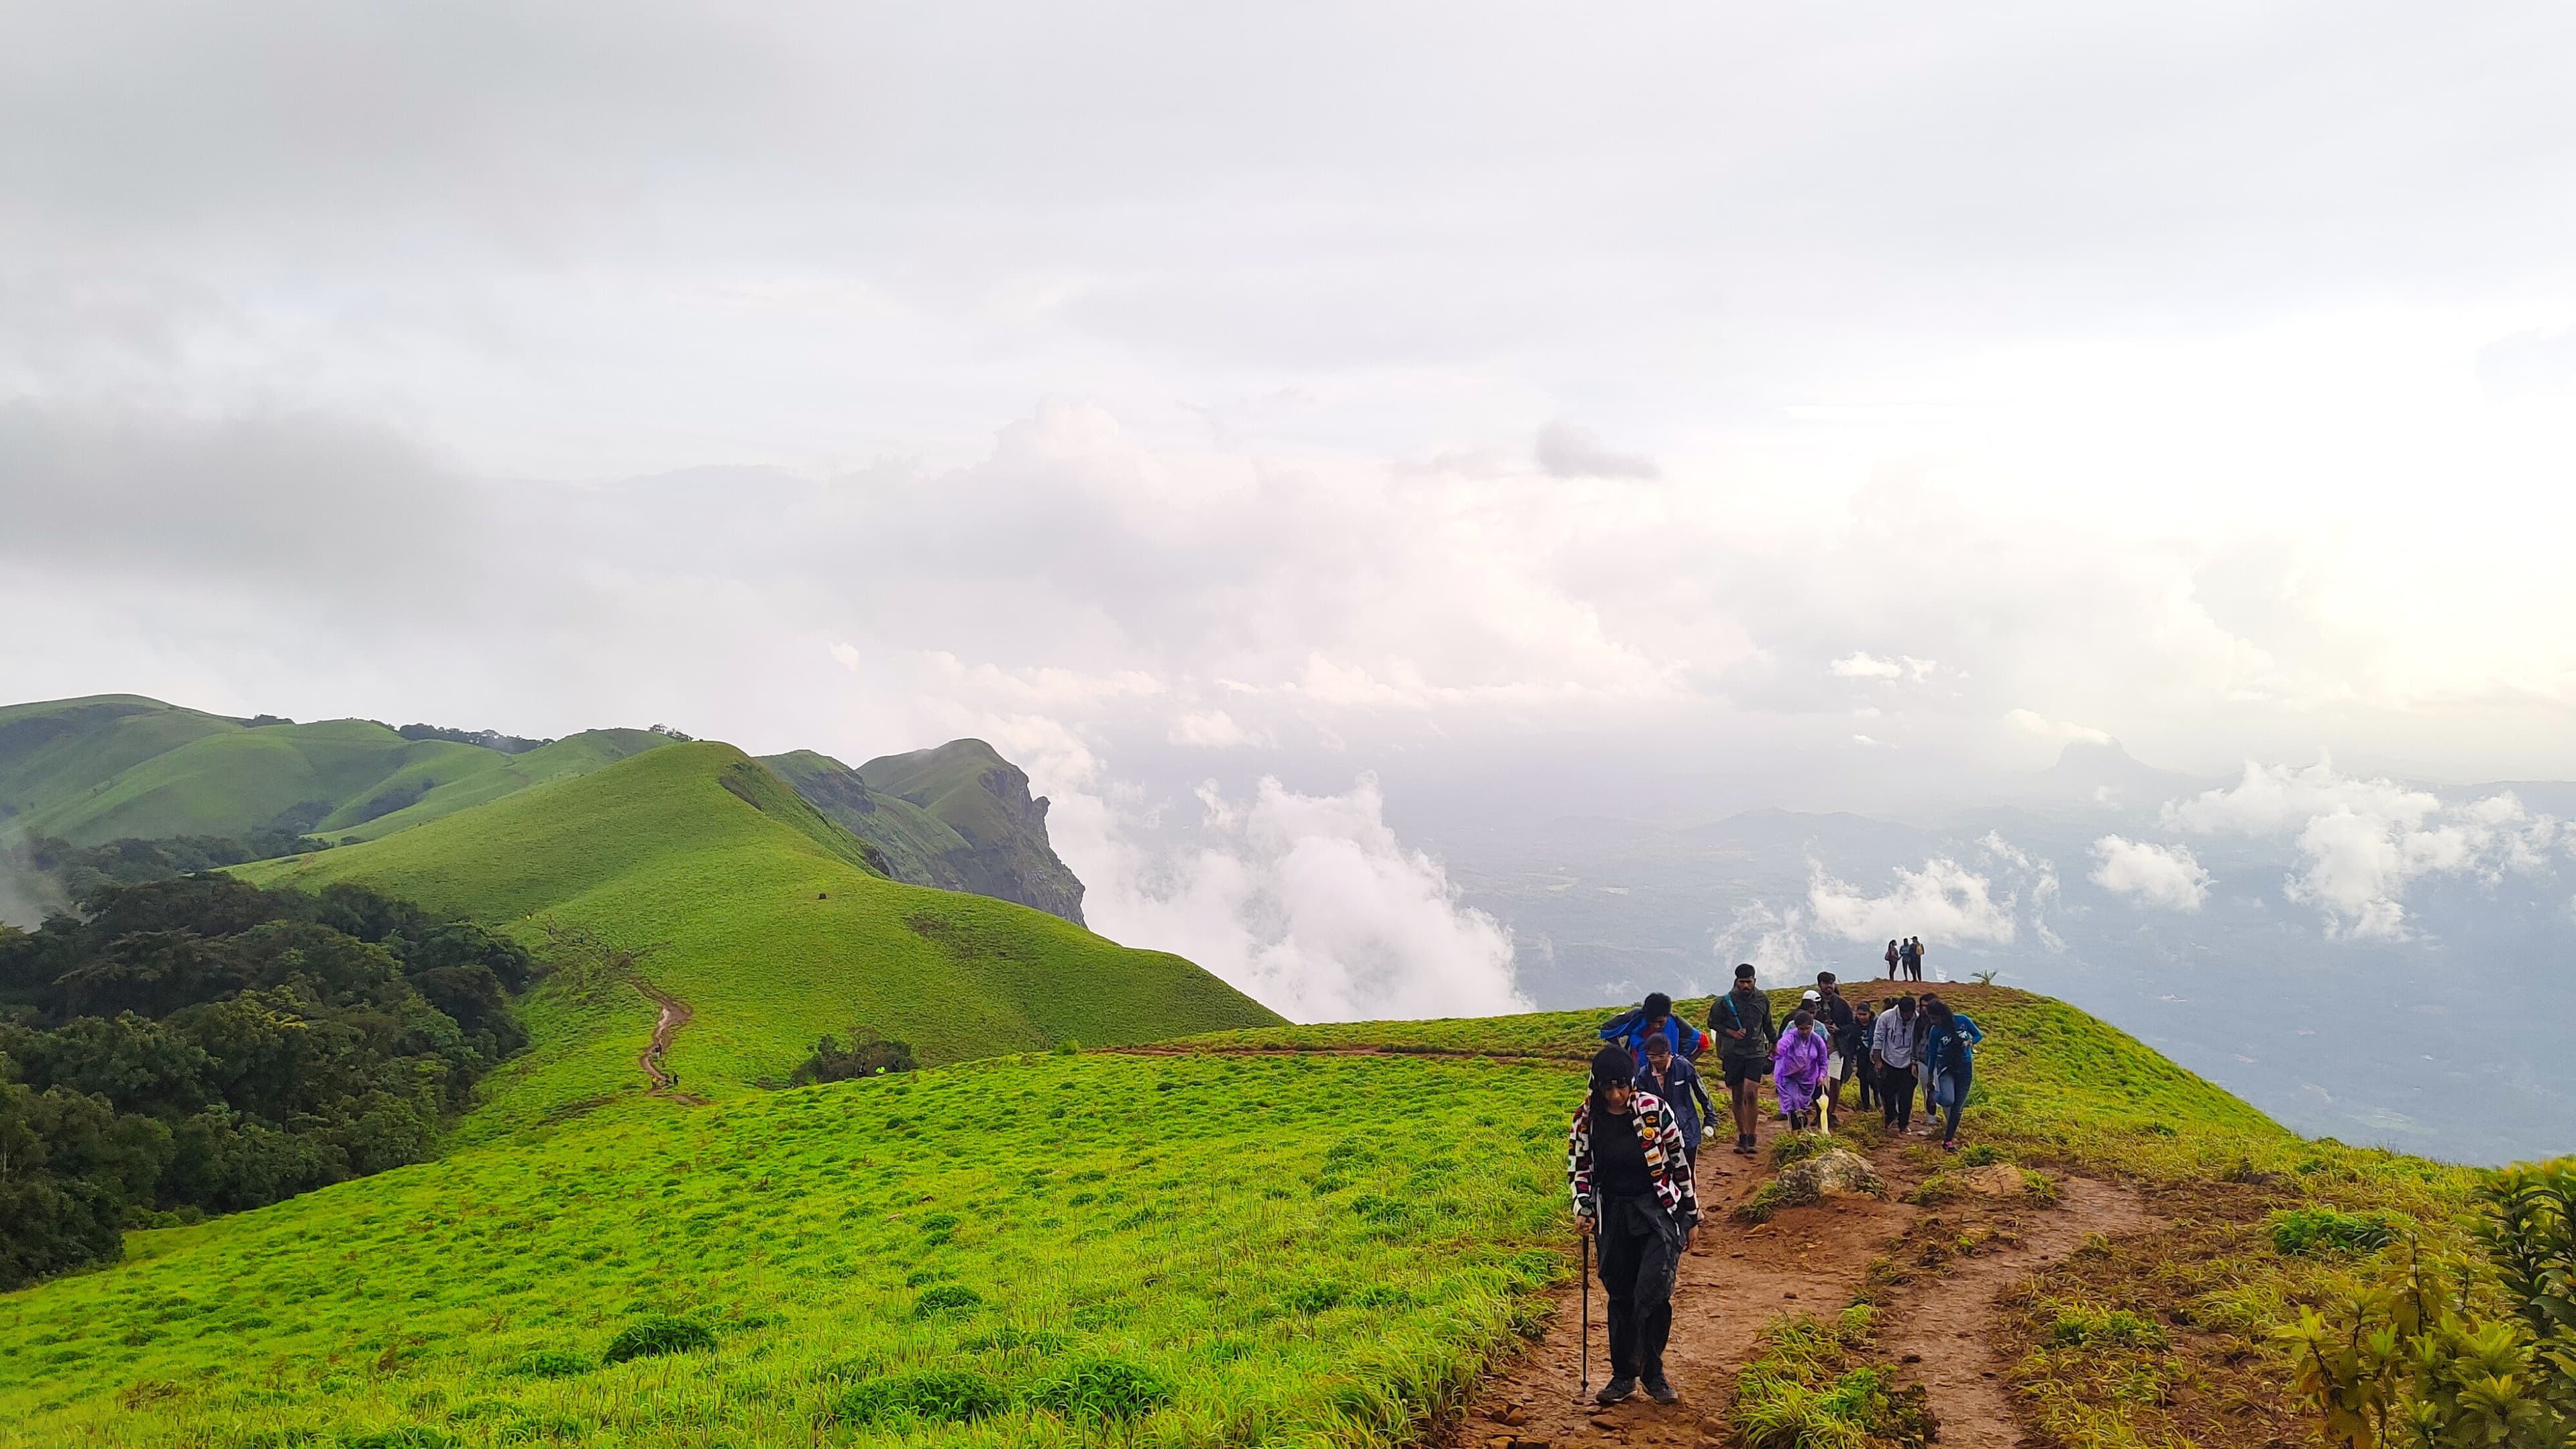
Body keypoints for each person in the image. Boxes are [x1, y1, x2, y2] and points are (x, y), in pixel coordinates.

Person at [1568, 1044, 1701, 1405]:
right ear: (1596, 1086)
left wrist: (1691, 1214)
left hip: (1657, 1210)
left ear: (1632, 1083)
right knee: (1621, 1293)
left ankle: (1654, 1373)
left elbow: (1678, 1162)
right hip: (1612, 1213)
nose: (1615, 1096)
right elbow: (1580, 1169)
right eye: (1607, 1089)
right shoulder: (1586, 1119)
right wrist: (1583, 1208)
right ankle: (1623, 1375)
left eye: (1622, 1087)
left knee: (1654, 1290)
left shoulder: (1655, 1111)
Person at [1708, 963, 1776, 1157]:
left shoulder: (1763, 999)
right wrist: (1731, 1033)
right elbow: (1713, 1023)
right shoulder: (1724, 1002)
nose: (1746, 985)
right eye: (1742, 982)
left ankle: (1753, 1137)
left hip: (1755, 1052)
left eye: (1749, 982)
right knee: (1737, 1095)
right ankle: (1742, 1136)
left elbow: (1768, 1023)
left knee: (1751, 1092)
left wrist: (1774, 1042)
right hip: (1733, 1053)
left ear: (1755, 980)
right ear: (1736, 981)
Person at [1635, 1034, 1717, 1177]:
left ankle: (1690, 1198)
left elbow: (1701, 1092)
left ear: (1669, 1053)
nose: (1658, 1061)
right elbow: (1639, 1105)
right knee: (1665, 1171)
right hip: (1659, 1131)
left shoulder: (1683, 1066)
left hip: (1687, 1127)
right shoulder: (1644, 1076)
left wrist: (1710, 1119)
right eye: (1652, 1057)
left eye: (1662, 1056)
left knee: (1688, 1172)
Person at [1923, 998, 1985, 1151]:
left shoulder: (1962, 1020)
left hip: (1965, 1068)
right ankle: (1933, 1095)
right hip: (1946, 1068)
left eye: (1935, 1018)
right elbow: (1932, 1053)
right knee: (1947, 1099)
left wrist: (1970, 1042)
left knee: (1957, 1109)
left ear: (1943, 1015)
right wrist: (1930, 1075)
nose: (1933, 1021)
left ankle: (1948, 1141)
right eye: (1931, 1018)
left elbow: (1978, 1035)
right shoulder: (1935, 1031)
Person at [1772, 1006, 1832, 1133]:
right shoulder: (1791, 1037)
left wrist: (1821, 1075)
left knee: (1803, 1102)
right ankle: (1796, 1130)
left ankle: (1806, 1126)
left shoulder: (1817, 1040)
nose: (1805, 1032)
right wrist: (1776, 1052)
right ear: (1797, 1028)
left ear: (1812, 1027)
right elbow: (1781, 1047)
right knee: (1793, 1100)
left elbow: (1823, 1061)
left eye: (1807, 1029)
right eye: (1801, 1029)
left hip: (1809, 1076)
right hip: (1789, 1075)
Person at [1601, 991, 1703, 1064]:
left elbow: (1703, 1042)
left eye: (1661, 1022)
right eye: (1652, 1021)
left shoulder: (1678, 1024)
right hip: (1637, 1069)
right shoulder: (1636, 1018)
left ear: (1667, 1016)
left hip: (1668, 1075)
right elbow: (1607, 1029)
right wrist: (1623, 1055)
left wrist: (1685, 1064)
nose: (1656, 1026)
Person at [1870, 995, 1921, 1130]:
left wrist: (1915, 1062)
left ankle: (1904, 1124)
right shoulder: (1886, 1017)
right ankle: (1890, 1118)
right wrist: (1877, 1060)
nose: (1908, 1017)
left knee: (1907, 1095)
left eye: (1910, 1014)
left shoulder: (1918, 1020)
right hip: (1889, 1060)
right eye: (1905, 1014)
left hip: (1909, 1063)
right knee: (1887, 1093)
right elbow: (1878, 1038)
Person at [1811, 973, 1856, 1111]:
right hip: (1815, 1048)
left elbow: (1852, 1025)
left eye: (1831, 983)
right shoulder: (1813, 1002)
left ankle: (1830, 1112)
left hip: (1835, 1047)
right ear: (1820, 985)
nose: (1829, 986)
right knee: (1818, 1082)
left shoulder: (1842, 1004)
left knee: (1835, 1081)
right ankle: (1820, 1113)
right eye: (1826, 983)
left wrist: (1839, 1029)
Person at [1839, 995, 1876, 1111]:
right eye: (1859, 1014)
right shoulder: (1854, 1026)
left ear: (1869, 1014)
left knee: (1874, 1080)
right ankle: (1866, 1106)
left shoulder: (1876, 1025)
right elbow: (1846, 1032)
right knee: (1863, 1080)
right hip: (1862, 1057)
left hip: (1875, 1057)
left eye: (1864, 1014)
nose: (1862, 1017)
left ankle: (1878, 1104)